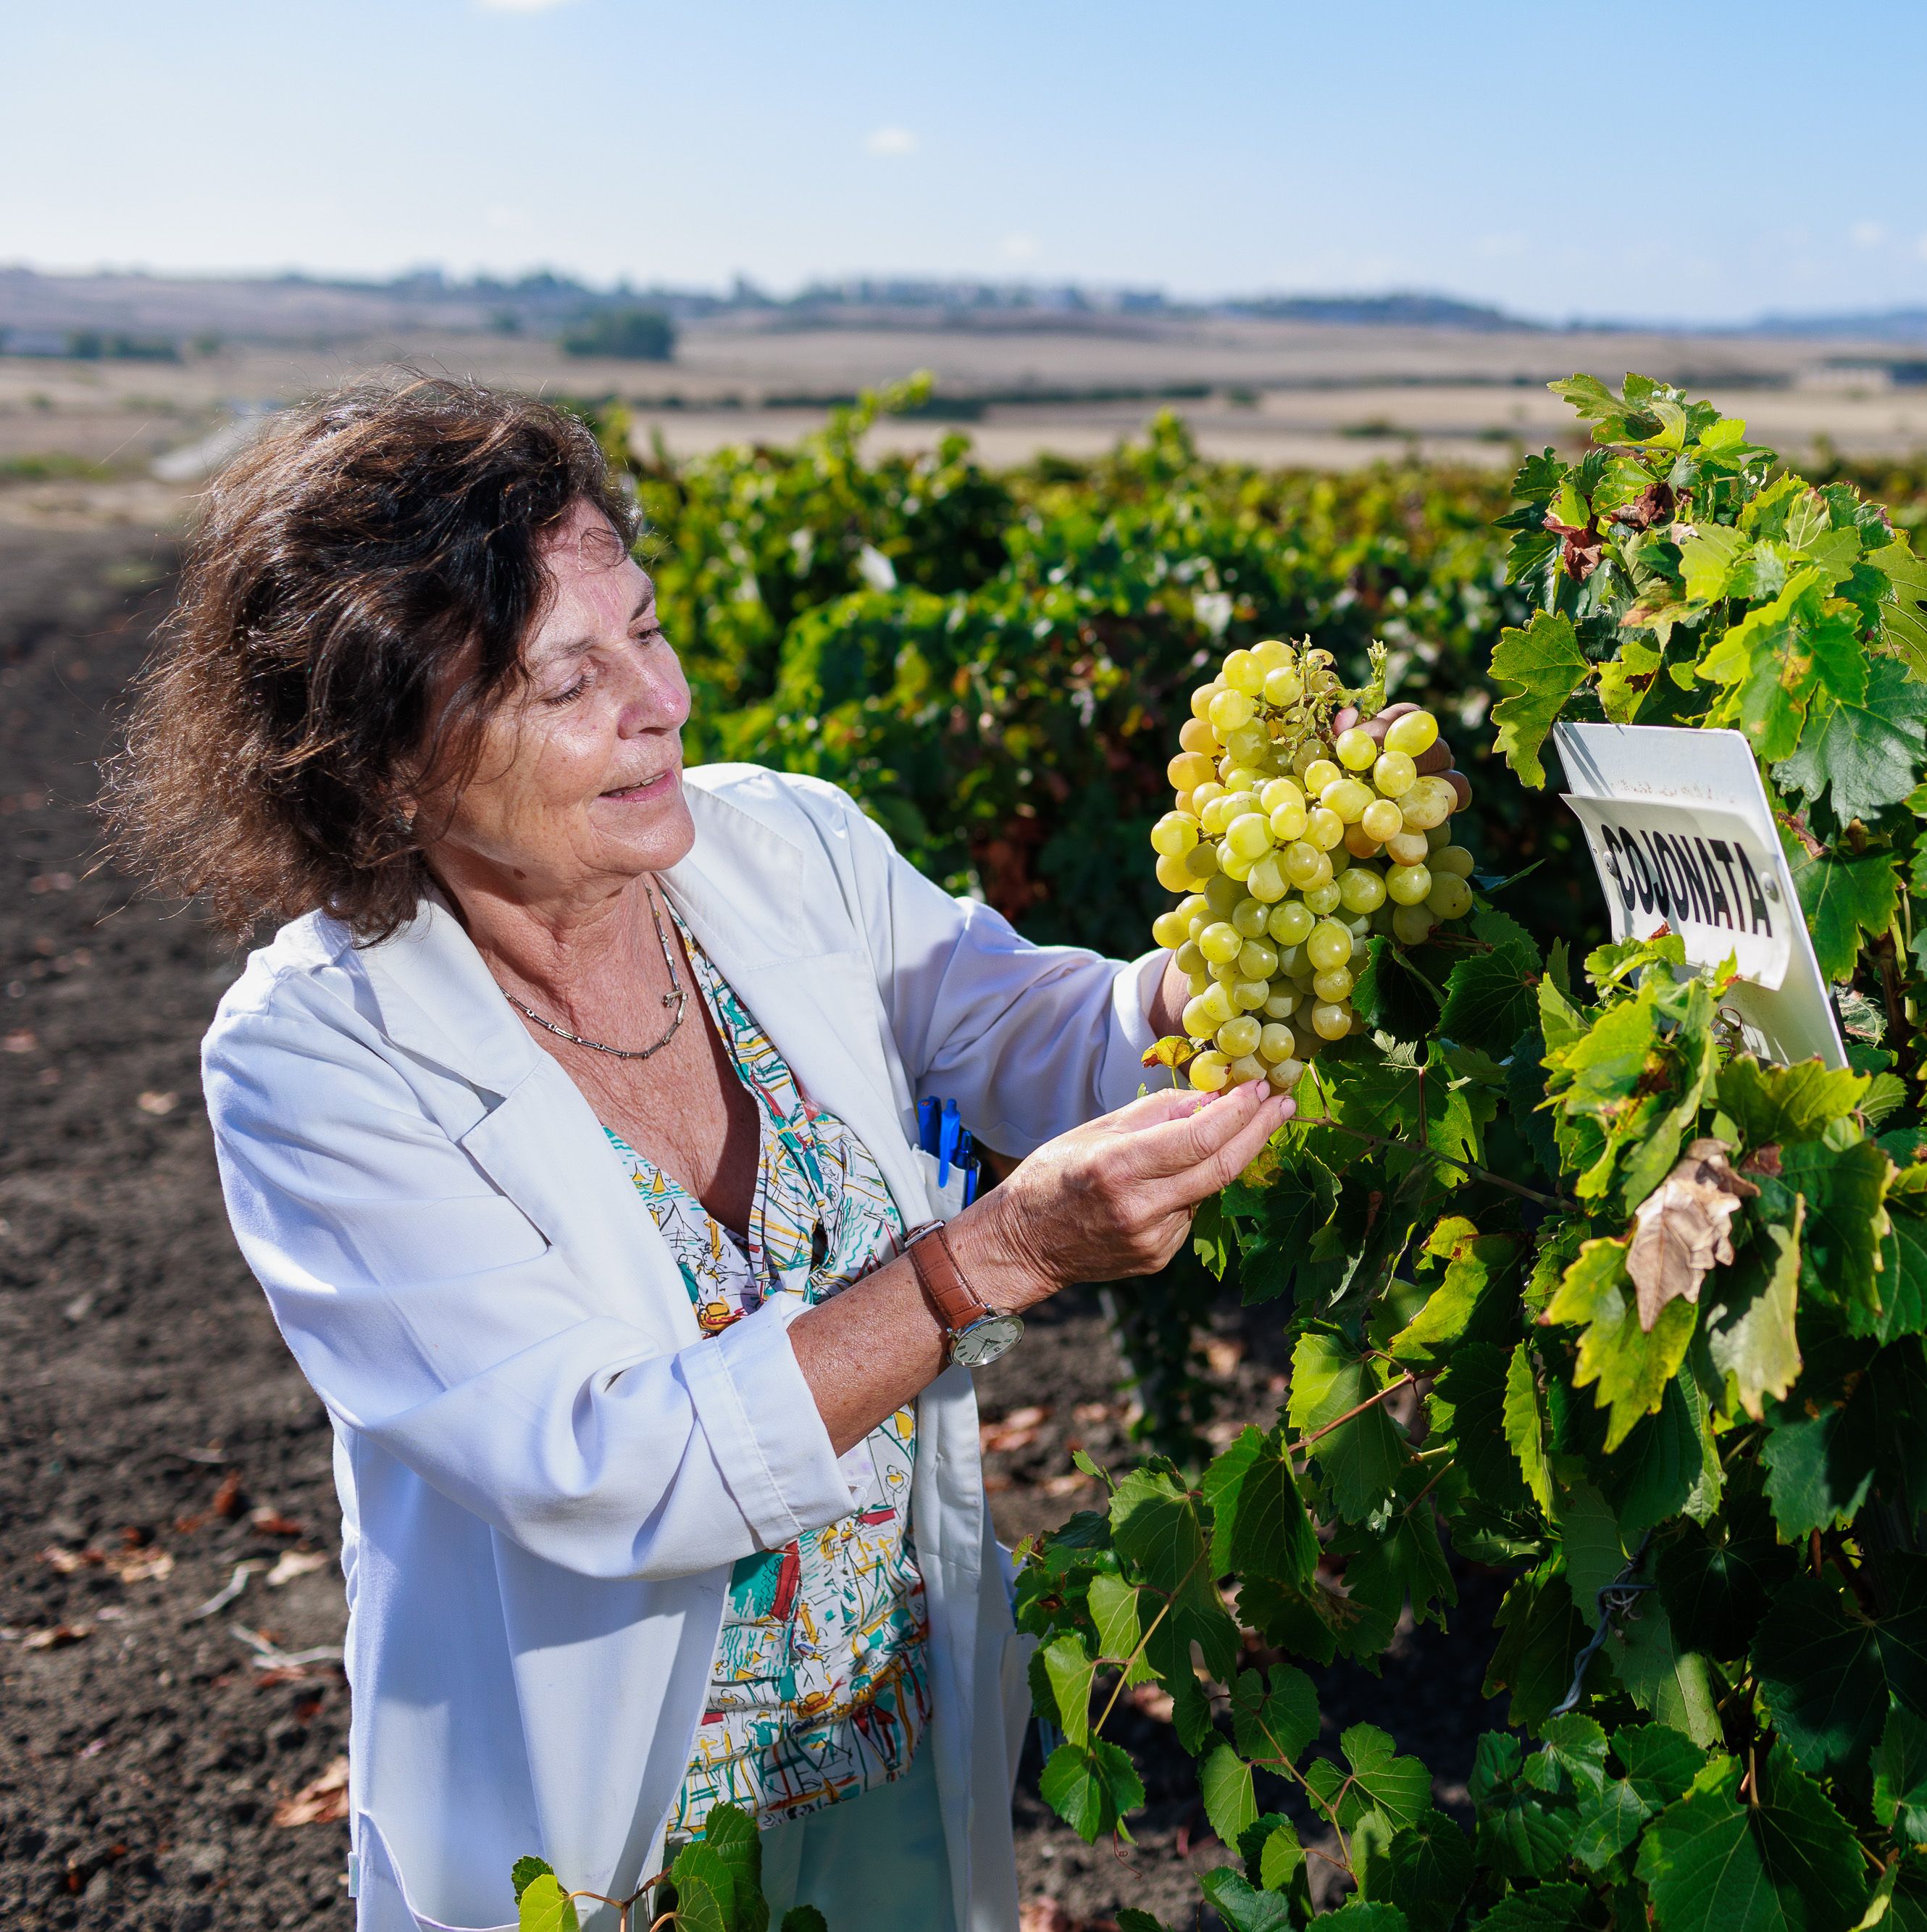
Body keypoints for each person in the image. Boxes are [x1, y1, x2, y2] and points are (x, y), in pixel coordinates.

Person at [104, 372, 1291, 1932]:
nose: (656, 699)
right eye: (565, 678)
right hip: (603, 1823)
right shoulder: (316, 1057)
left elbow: (1037, 1028)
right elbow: (607, 1464)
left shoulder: (777, 842)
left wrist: (1198, 982)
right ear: (384, 757)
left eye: (647, 629)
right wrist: (990, 1257)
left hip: (881, 1727)